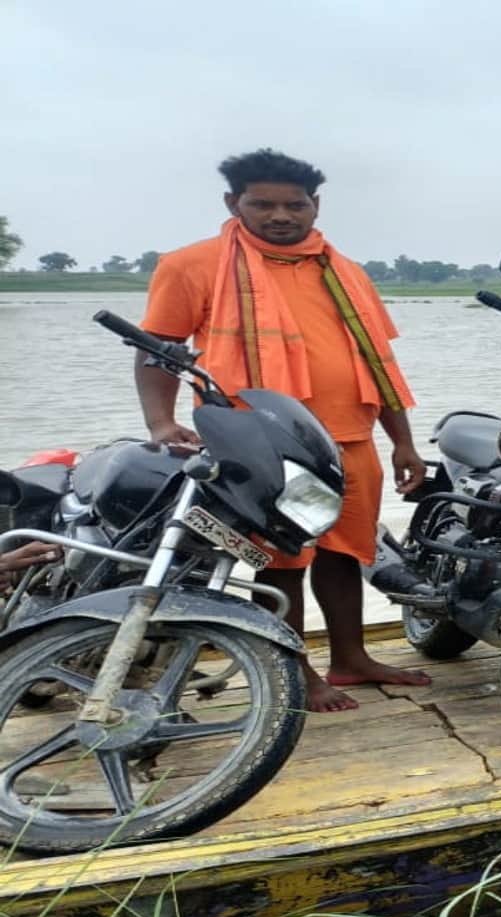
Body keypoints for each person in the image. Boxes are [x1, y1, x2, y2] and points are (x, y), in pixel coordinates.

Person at [137, 149, 430, 712]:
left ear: (315, 205)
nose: (280, 216)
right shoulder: (191, 264)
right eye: (262, 204)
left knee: (347, 552)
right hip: (261, 442)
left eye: (294, 205)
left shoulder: (343, 271)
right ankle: (293, 669)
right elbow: (159, 352)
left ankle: (349, 658)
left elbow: (378, 363)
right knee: (282, 560)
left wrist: (403, 442)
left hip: (349, 437)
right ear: (232, 203)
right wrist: (161, 421)